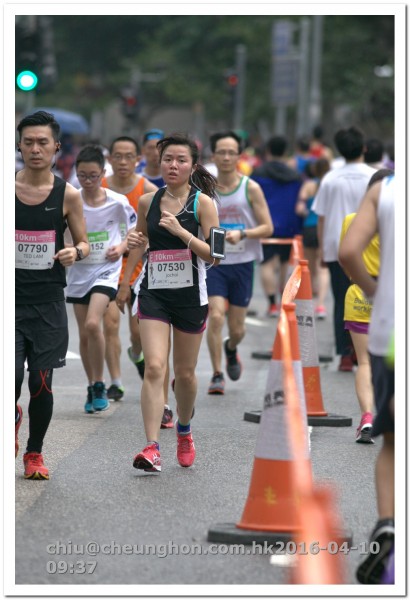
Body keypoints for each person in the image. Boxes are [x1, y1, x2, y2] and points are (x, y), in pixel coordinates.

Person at [116, 133, 221, 473]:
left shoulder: (203, 204)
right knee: (155, 367)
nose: (173, 166)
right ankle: (152, 447)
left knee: (185, 375)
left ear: (193, 165)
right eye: (167, 160)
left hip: (190, 297)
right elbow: (139, 242)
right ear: (159, 163)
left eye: (181, 160)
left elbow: (216, 255)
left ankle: (184, 429)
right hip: (154, 292)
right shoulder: (148, 201)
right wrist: (125, 282)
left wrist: (182, 232)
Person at [15, 110, 90, 479]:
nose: (35, 149)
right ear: (18, 146)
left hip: (47, 302)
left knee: (40, 383)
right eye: (28, 142)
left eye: (42, 142)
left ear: (56, 147)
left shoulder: (68, 195)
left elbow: (84, 243)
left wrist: (74, 252)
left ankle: (34, 453)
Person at [339, 173, 395, 584]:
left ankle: (388, 524)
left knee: (393, 442)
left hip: (386, 321)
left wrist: (377, 291)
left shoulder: (384, 193)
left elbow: (347, 252)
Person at [66, 144, 137, 413]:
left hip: (106, 270)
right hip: (79, 272)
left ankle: (100, 383)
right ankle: (92, 385)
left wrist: (121, 247)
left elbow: (135, 230)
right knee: (85, 334)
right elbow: (60, 232)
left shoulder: (117, 201)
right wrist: (69, 249)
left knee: (94, 323)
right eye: (82, 176)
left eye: (93, 176)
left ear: (103, 174)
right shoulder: (71, 200)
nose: (88, 181)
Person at [205, 131, 273, 394]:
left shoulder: (250, 188)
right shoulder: (205, 189)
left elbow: (268, 227)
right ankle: (217, 374)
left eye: (231, 152)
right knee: (216, 316)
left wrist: (242, 233)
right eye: (221, 152)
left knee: (237, 330)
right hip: (214, 263)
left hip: (243, 262)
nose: (226, 157)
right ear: (213, 155)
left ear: (239, 156)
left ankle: (231, 348)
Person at [311, 126, 376, 371]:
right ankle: (368, 351)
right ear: (364, 148)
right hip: (371, 248)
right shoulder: (376, 177)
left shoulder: (330, 178)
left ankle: (345, 354)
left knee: (341, 300)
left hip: (336, 247)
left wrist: (322, 249)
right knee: (373, 298)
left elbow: (321, 217)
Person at [102, 136, 158, 402]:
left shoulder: (148, 190)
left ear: (138, 159)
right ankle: (115, 382)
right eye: (118, 156)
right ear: (109, 159)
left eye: (129, 157)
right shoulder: (98, 186)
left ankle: (136, 354)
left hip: (138, 266)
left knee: (138, 333)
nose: (123, 162)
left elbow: (147, 234)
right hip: (106, 264)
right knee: (110, 323)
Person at [339, 169, 393, 443]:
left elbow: (345, 257)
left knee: (364, 362)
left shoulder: (352, 220)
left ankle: (367, 418)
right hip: (394, 295)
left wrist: (364, 284)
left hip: (361, 293)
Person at [251, 135, 303, 316]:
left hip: (265, 224)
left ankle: (272, 304)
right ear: (285, 151)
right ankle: (283, 299)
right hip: (290, 225)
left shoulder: (258, 173)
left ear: (268, 150)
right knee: (284, 263)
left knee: (266, 263)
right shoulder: (295, 175)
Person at [295, 158, 330, 319]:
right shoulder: (330, 185)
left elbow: (299, 208)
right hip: (326, 228)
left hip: (309, 228)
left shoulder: (308, 185)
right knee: (323, 268)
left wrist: (306, 211)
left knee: (310, 267)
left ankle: (310, 299)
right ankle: (321, 305)